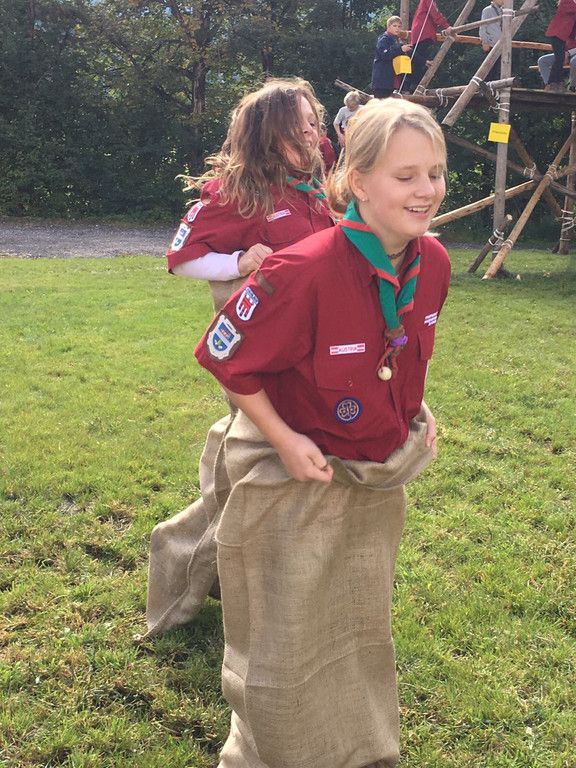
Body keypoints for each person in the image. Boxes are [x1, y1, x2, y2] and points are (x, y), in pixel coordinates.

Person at [195, 98, 450, 768]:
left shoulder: (434, 263)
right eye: (405, 176)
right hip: (299, 484)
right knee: (286, 638)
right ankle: (274, 748)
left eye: (435, 173)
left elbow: (397, 348)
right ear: (357, 180)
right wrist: (283, 439)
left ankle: (356, 739)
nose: (426, 190)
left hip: (374, 482)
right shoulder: (300, 270)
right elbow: (227, 361)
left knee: (358, 623)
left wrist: (417, 407)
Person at [144, 77, 334, 638]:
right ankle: (188, 560)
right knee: (259, 464)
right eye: (299, 126)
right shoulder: (235, 192)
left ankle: (241, 573)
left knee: (270, 462)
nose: (312, 133)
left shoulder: (315, 179)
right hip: (260, 359)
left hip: (311, 353)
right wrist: (237, 262)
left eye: (314, 121)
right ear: (268, 134)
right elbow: (181, 258)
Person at [409, 0, 454, 91]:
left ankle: (415, 87)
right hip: (424, 34)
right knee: (421, 63)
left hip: (419, 33)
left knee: (418, 62)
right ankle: (416, 88)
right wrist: (446, 26)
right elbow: (435, 13)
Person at [371, 15, 412, 98]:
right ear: (388, 26)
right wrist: (400, 49)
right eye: (394, 26)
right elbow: (384, 55)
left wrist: (424, 61)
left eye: (399, 26)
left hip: (391, 82)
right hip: (382, 82)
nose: (397, 28)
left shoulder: (396, 40)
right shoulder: (384, 39)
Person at [544, 0, 576, 92]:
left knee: (560, 59)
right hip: (556, 34)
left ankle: (557, 82)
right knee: (559, 59)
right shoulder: (566, 2)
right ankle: (552, 83)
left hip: (562, 36)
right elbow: (572, 10)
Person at [480, 0, 504, 82]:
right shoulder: (488, 10)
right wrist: (484, 41)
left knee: (496, 69)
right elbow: (483, 26)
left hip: (499, 44)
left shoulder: (503, 11)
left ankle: (493, 86)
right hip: (490, 43)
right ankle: (485, 85)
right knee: (489, 69)